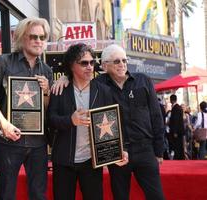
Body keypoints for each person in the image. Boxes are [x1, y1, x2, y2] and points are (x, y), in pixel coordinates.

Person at [52, 44, 165, 200]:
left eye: (124, 60)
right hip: (95, 154)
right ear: (105, 66)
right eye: (117, 61)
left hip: (139, 150)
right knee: (120, 195)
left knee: (156, 196)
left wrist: (158, 150)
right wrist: (65, 78)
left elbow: (155, 116)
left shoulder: (136, 82)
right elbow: (52, 119)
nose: (122, 64)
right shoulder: (91, 86)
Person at [48, 43, 128, 200]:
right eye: (84, 63)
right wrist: (70, 120)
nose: (90, 67)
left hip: (91, 162)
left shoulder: (104, 91)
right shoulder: (60, 89)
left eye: (92, 62)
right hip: (64, 160)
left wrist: (118, 151)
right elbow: (50, 120)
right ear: (72, 65)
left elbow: (113, 125)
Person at [0, 17, 53, 200]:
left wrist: (46, 92)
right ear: (22, 37)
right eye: (33, 36)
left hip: (38, 144)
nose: (38, 41)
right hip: (8, 143)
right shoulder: (2, 62)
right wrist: (3, 123)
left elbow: (46, 109)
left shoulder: (47, 70)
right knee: (7, 194)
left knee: (38, 194)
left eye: (42, 37)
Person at [168, 94, 185, 160]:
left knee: (177, 145)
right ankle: (180, 157)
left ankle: (178, 157)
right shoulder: (178, 107)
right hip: (179, 130)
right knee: (180, 145)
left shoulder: (176, 108)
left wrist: (175, 131)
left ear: (171, 100)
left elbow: (176, 120)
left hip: (177, 131)